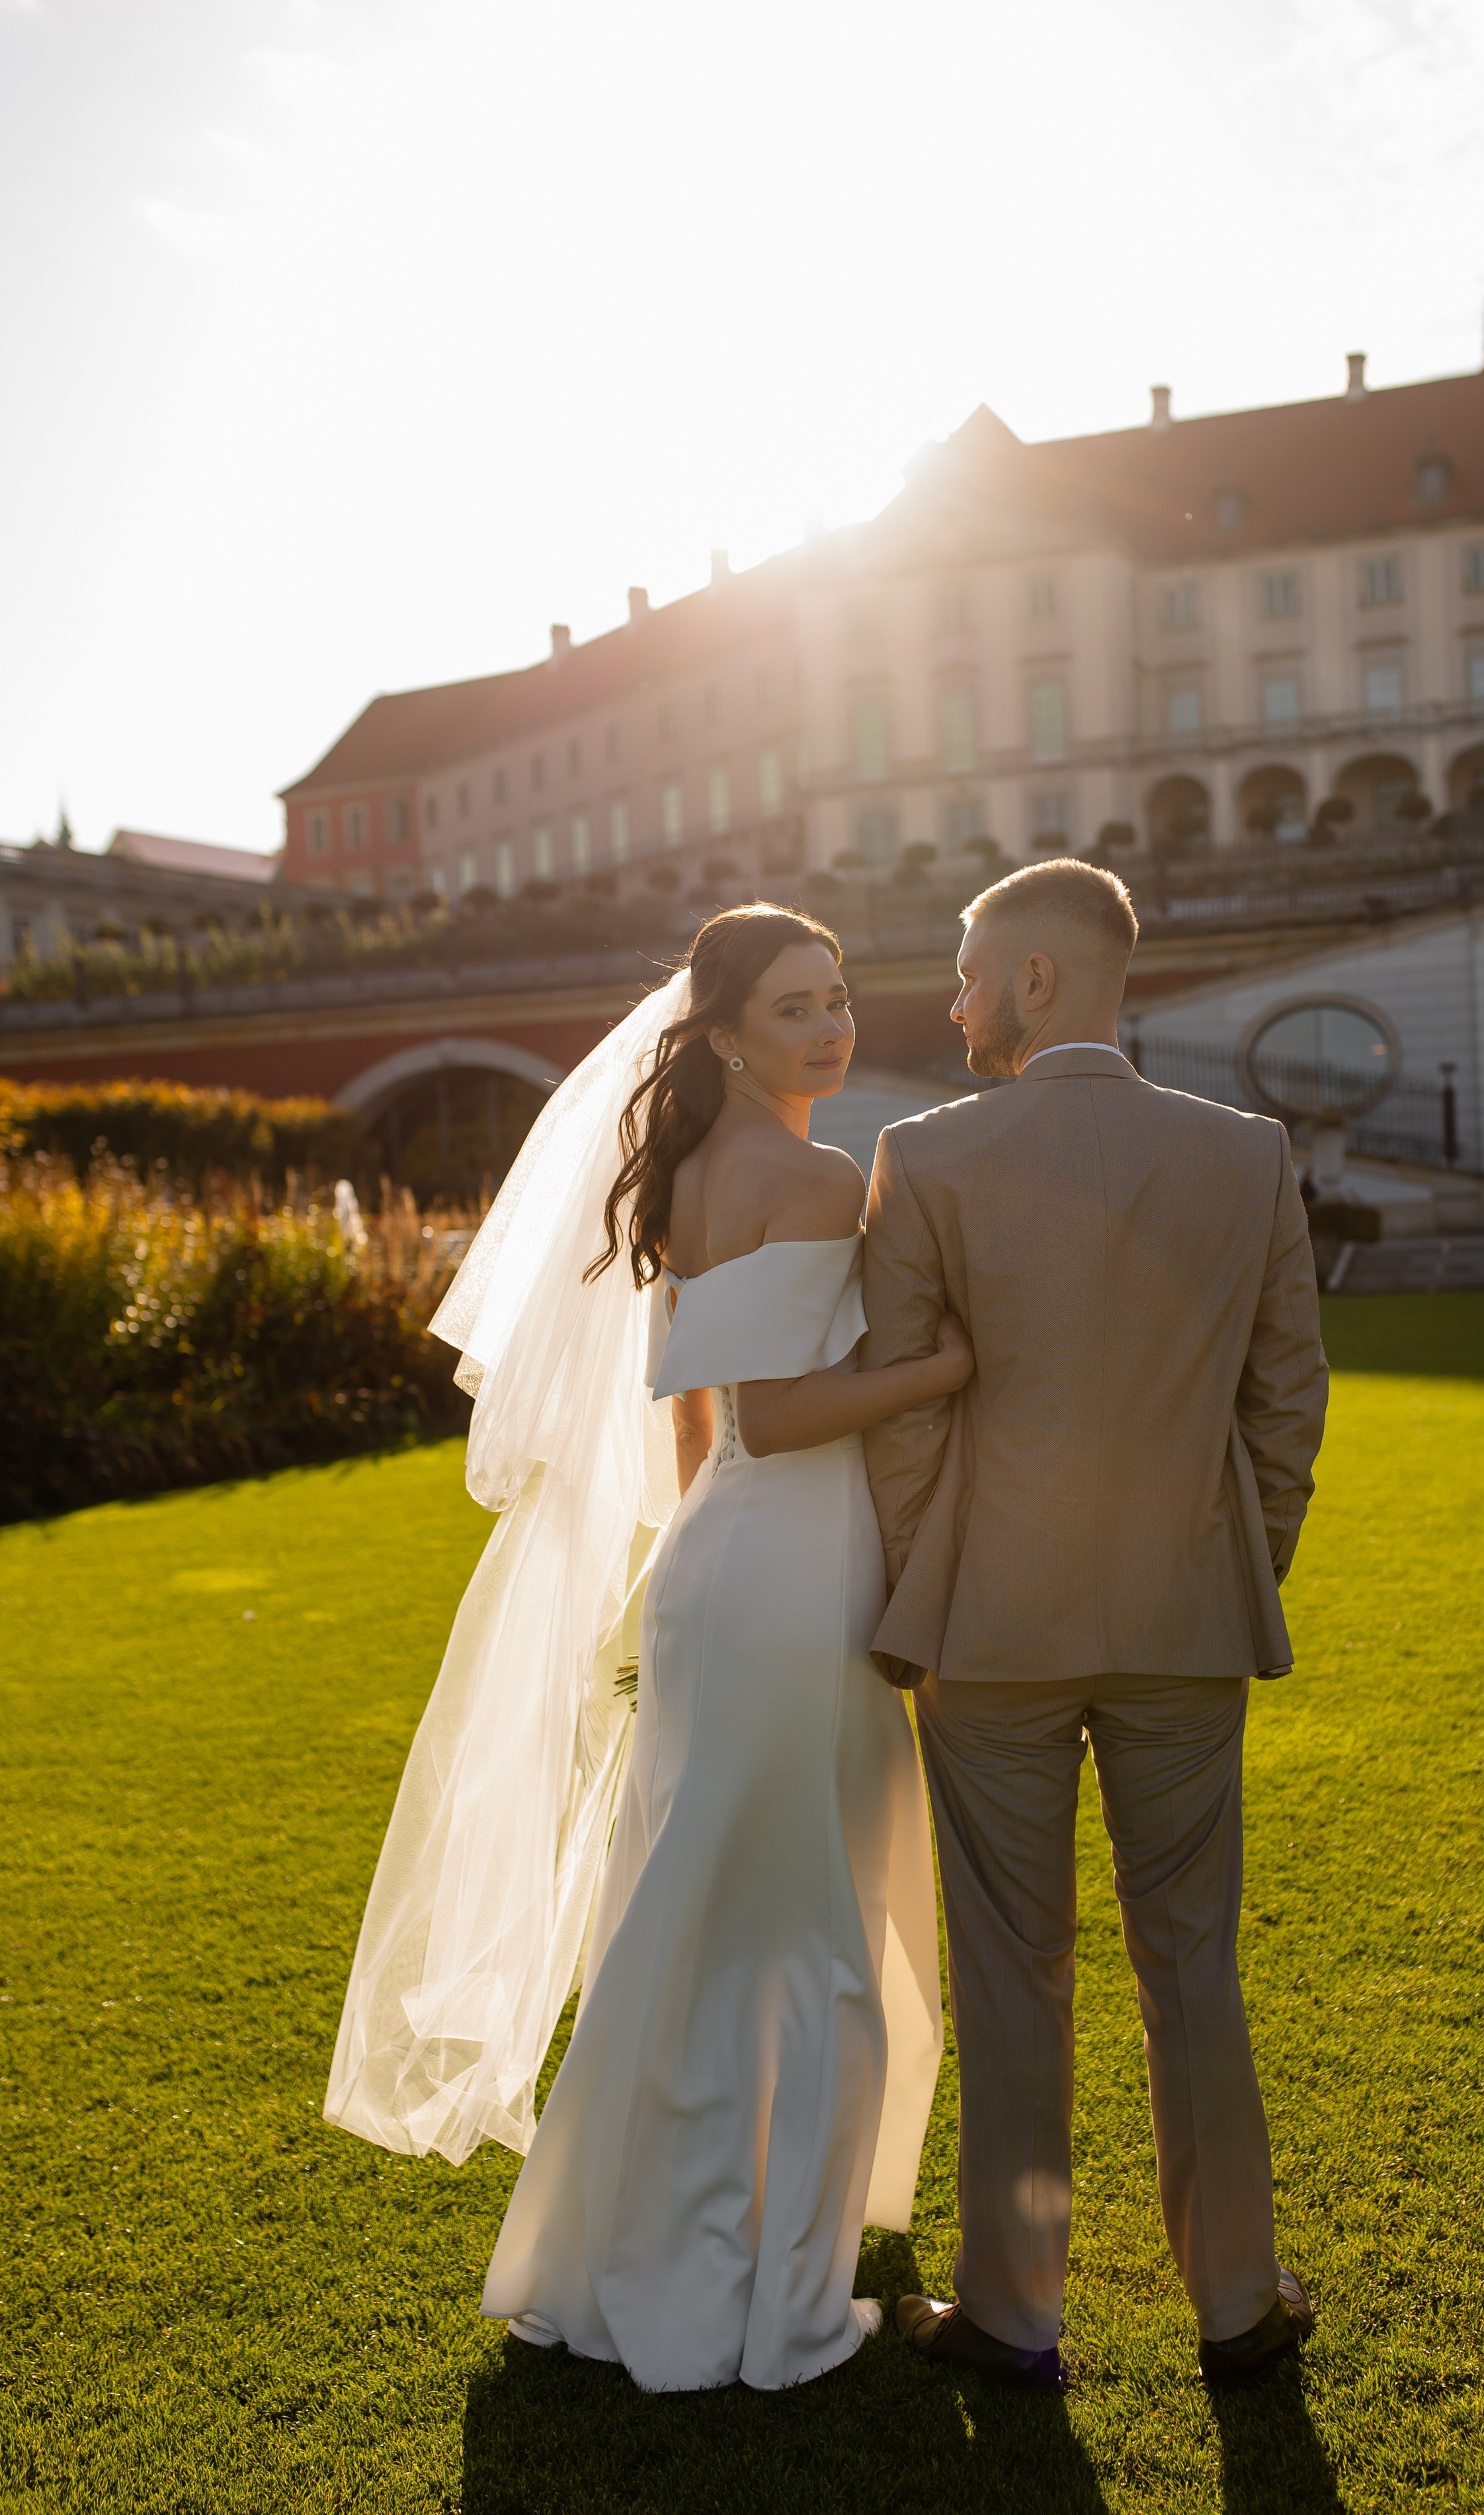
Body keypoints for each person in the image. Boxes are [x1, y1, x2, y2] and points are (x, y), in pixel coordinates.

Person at [327, 904, 952, 2393]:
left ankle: (631, 2253)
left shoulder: (673, 1179)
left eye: (838, 997)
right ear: (724, 1030)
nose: (830, 1027)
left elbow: (697, 1426)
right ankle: (781, 2306)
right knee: (808, 1927)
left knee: (687, 1915)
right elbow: (781, 1414)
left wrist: (697, 1556)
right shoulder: (808, 1179)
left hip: (718, 1561)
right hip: (793, 1568)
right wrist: (947, 1365)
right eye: (796, 1008)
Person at [860, 858, 1329, 2392]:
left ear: (1037, 981)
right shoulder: (1246, 1154)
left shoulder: (919, 1156)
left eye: (967, 968)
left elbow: (905, 1427)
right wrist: (1230, 1554)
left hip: (986, 1628)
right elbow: (1285, 1404)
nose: (952, 1000)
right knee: (1190, 1964)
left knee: (1012, 1975)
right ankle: (1236, 2308)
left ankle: (1012, 2318)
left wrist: (921, 1586)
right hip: (1188, 1617)